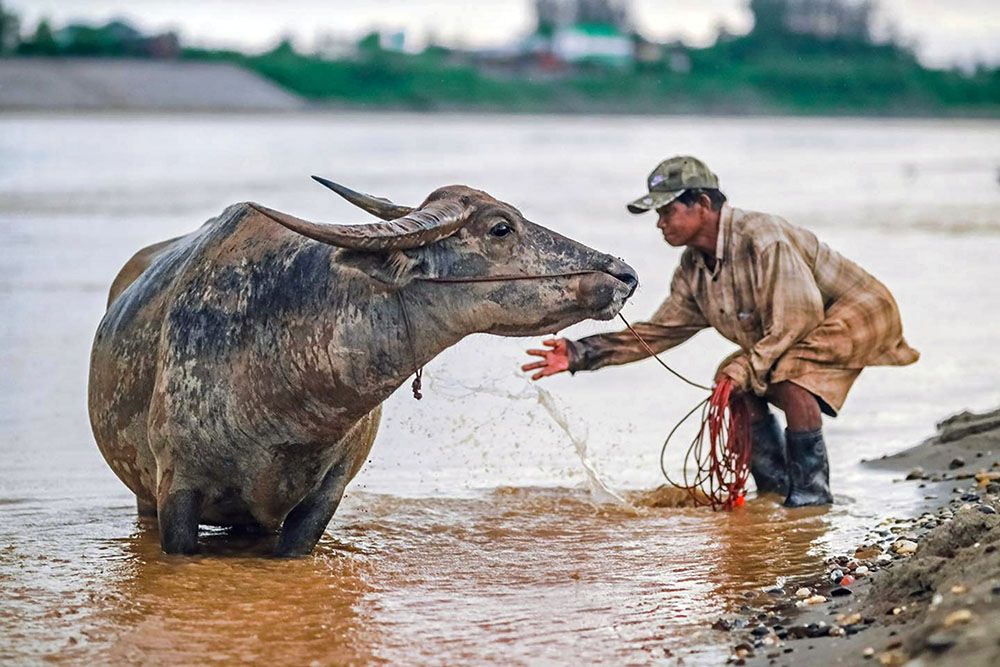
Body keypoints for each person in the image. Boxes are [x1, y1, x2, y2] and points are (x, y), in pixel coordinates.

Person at [521, 156, 919, 507]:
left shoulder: (763, 239)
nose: (659, 224)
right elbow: (660, 331)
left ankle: (811, 499)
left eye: (666, 211)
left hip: (860, 311)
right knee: (734, 381)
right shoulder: (694, 268)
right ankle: (775, 490)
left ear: (703, 204)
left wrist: (745, 368)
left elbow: (797, 321)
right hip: (795, 327)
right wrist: (580, 353)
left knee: (790, 376)